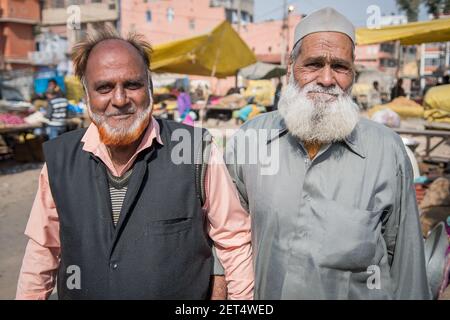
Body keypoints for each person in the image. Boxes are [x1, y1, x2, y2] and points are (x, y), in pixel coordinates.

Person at [16, 28, 254, 300]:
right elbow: (42, 252)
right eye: (104, 87)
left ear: (149, 88)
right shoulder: (61, 161)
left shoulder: (195, 150)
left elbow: (234, 242)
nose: (119, 100)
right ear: (86, 95)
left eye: (132, 85)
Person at [225, 7, 430, 300]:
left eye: (340, 67)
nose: (326, 78)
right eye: (313, 64)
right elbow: (226, 238)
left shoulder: (387, 150)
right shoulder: (250, 140)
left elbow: (407, 263)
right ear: (291, 67)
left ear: (352, 74)